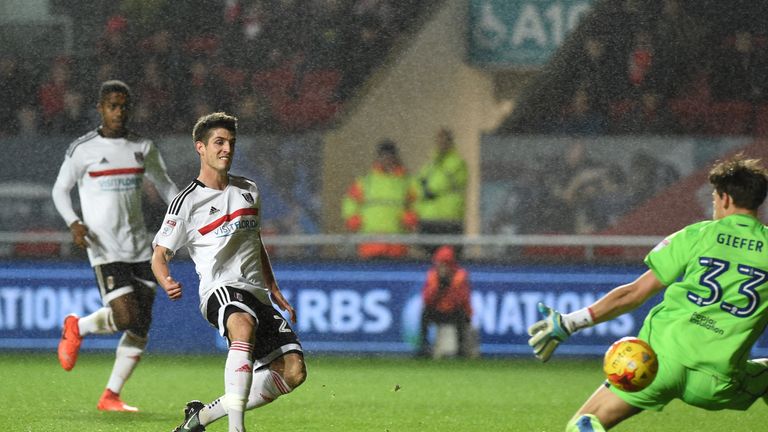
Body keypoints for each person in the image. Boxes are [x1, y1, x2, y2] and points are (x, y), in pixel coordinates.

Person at [527, 154, 768, 431]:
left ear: (725, 198)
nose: (713, 202)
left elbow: (633, 294)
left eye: (714, 196)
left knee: (583, 424)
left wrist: (571, 322)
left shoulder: (698, 235)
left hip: (656, 364)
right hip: (715, 379)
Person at [151, 112, 306, 432]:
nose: (226, 149)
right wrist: (166, 280)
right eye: (219, 142)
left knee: (293, 373)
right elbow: (159, 255)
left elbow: (254, 239)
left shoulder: (248, 189)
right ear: (200, 148)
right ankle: (237, 429)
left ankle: (201, 418)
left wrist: (272, 286)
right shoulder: (186, 201)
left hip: (256, 293)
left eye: (231, 143)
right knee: (242, 326)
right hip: (220, 289)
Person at [52, 79, 179, 411]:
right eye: (112, 105)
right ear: (100, 108)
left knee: (141, 322)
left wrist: (184, 215)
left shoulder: (143, 147)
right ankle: (76, 326)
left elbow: (165, 186)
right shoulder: (83, 149)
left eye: (124, 105)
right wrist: (74, 222)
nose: (118, 112)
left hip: (139, 246)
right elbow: (60, 190)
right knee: (124, 316)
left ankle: (111, 395)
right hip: (104, 246)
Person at [341, 139, 418, 259]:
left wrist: (411, 216)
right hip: (369, 243)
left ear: (395, 158)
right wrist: (352, 218)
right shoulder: (366, 182)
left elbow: (417, 203)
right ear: (378, 158)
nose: (387, 160)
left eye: (390, 156)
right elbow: (350, 201)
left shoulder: (406, 182)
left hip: (397, 243)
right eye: (383, 156)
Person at [413, 128, 468, 256]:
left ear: (450, 142)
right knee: (427, 262)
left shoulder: (457, 163)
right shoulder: (431, 164)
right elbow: (416, 184)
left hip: (449, 221)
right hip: (428, 220)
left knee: (450, 259)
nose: (441, 144)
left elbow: (440, 184)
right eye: (438, 141)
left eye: (444, 140)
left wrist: (428, 188)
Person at [417, 245, 473, 358]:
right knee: (425, 313)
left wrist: (449, 287)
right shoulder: (432, 276)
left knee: (462, 315)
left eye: (446, 264)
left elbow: (462, 300)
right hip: (438, 310)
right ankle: (424, 348)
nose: (443, 268)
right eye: (440, 264)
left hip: (454, 311)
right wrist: (439, 288)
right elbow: (427, 299)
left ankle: (461, 350)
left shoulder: (460, 276)